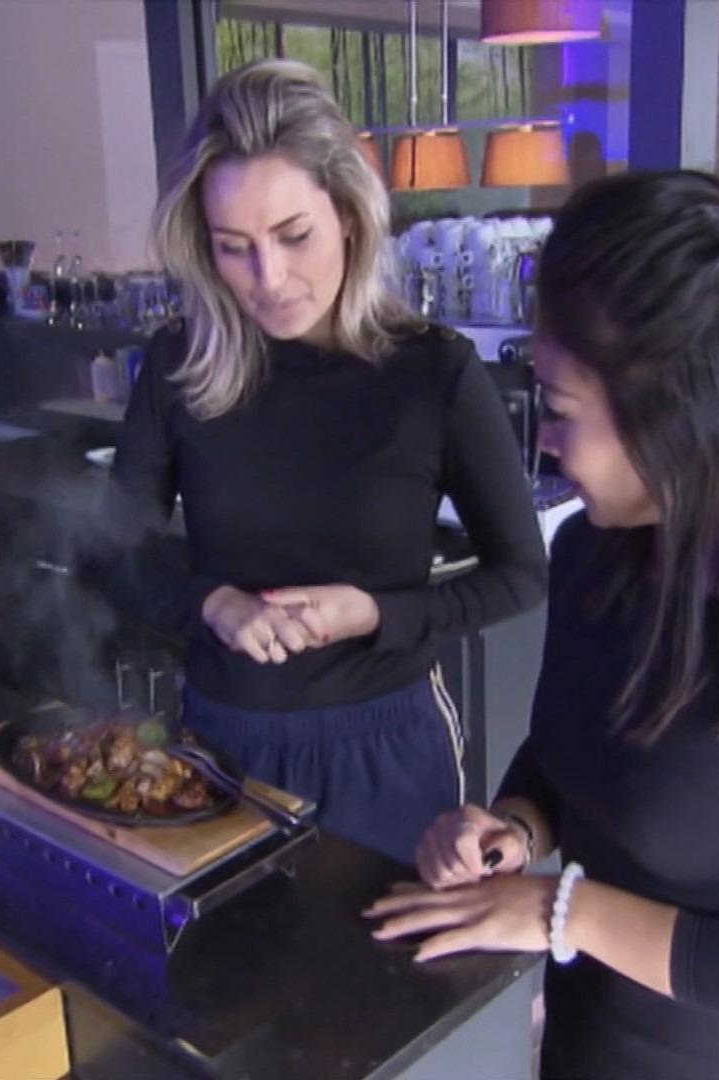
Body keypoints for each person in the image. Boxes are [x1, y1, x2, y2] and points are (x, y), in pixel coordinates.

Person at [364, 171, 719, 1080]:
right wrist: (513, 829)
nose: (544, 442)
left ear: (676, 415)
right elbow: (567, 755)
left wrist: (563, 912)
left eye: (560, 411)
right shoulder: (595, 556)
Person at [99, 59, 548, 863]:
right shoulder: (178, 365)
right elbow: (112, 555)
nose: (268, 279)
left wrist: (377, 615)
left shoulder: (431, 371)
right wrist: (214, 605)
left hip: (386, 752)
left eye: (293, 235)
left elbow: (522, 573)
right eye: (233, 248)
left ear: (347, 213)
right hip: (220, 748)